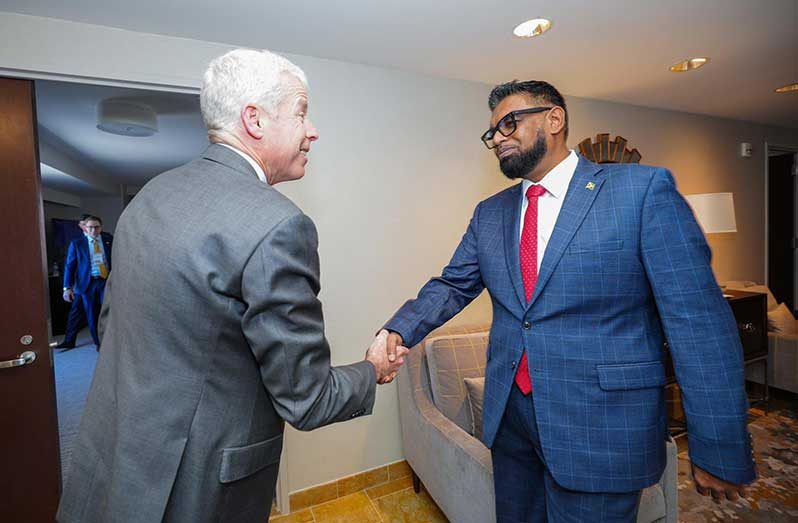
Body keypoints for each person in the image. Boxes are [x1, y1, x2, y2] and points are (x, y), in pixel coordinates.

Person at [56, 49, 407, 523]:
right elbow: (306, 398)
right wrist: (373, 370)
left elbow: (114, 320)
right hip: (196, 484)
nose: (313, 130)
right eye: (302, 113)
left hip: (120, 450)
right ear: (254, 120)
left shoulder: (150, 195)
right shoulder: (279, 225)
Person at [381, 80, 755, 522]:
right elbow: (452, 284)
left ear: (554, 119)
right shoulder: (490, 213)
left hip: (600, 426)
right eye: (492, 133)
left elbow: (698, 322)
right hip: (511, 421)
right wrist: (398, 330)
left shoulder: (640, 192)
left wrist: (718, 443)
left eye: (509, 123)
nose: (498, 138)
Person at [62, 215, 112, 349]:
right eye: (90, 227)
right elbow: (70, 266)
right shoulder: (77, 244)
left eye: (97, 227)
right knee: (92, 314)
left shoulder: (109, 240)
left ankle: (110, 340)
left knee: (109, 311)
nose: (94, 230)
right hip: (87, 284)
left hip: (105, 282)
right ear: (85, 228)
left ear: (101, 228)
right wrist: (67, 287)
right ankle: (99, 343)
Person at [55, 214, 91, 350]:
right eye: (81, 224)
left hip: (99, 283)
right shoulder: (76, 241)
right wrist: (67, 286)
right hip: (80, 284)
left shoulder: (104, 238)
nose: (81, 226)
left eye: (84, 223)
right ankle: (69, 340)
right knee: (76, 312)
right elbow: (70, 266)